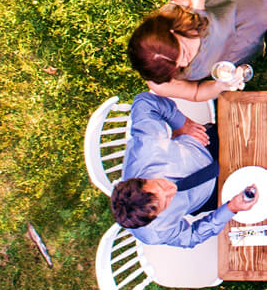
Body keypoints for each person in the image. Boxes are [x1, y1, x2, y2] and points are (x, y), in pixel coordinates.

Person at [109, 92, 257, 247]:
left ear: (142, 179)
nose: (171, 190)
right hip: (211, 194)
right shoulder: (155, 232)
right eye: (165, 204)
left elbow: (144, 102)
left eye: (161, 186)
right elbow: (191, 236)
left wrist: (181, 123)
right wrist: (230, 208)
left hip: (206, 146)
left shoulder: (147, 146)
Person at [125, 0, 267, 103]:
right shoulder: (160, 81)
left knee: (262, 14)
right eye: (177, 67)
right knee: (250, 45)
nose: (186, 62)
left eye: (183, 52)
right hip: (227, 53)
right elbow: (196, 93)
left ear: (173, 31)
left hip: (233, 16)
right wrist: (220, 85)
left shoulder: (186, 7)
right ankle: (263, 36)